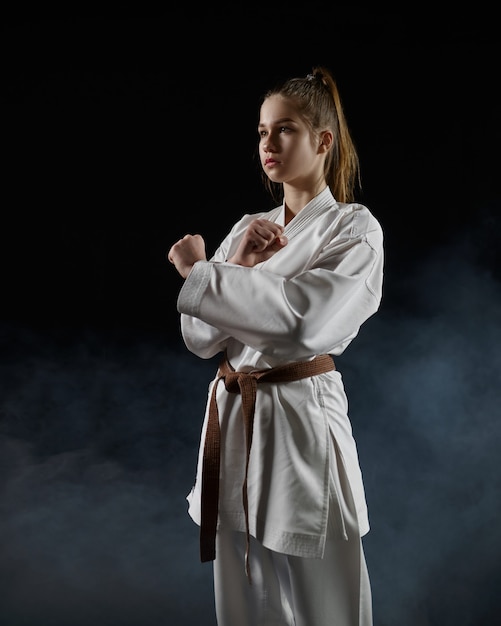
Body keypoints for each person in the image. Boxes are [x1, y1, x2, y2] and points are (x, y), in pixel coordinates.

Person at [167, 65, 384, 626]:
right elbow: (200, 337)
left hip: (300, 422)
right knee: (245, 605)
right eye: (262, 131)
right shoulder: (249, 227)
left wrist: (202, 272)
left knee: (326, 607)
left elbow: (301, 324)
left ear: (322, 140)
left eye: (284, 129)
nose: (268, 143)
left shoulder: (353, 230)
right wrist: (233, 265)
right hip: (237, 418)